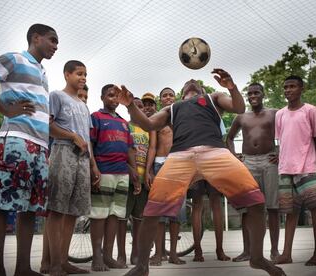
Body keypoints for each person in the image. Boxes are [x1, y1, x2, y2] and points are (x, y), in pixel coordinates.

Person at [117, 69, 285, 276]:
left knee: (257, 202)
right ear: (182, 93)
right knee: (152, 210)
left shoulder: (213, 98)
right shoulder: (174, 107)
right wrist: (130, 105)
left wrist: (231, 87)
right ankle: (142, 266)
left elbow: (239, 107)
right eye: (187, 82)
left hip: (215, 152)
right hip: (179, 156)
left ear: (202, 90)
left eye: (195, 81)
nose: (191, 81)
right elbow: (148, 123)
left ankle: (257, 258)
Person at [0, 23, 58, 276]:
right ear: (35, 38)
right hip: (16, 140)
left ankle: (23, 268)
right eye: (52, 40)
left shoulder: (43, 72)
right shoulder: (14, 58)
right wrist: (5, 110)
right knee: (2, 204)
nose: (55, 46)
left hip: (40, 146)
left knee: (31, 207)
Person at [45, 60, 101, 276]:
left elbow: (87, 138)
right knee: (58, 208)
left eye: (85, 74)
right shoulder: (56, 96)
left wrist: (94, 166)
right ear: (66, 74)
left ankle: (63, 260)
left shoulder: (84, 106)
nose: (83, 77)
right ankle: (54, 265)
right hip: (63, 152)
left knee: (73, 212)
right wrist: (72, 136)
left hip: (83, 159)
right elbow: (48, 126)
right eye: (79, 73)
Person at [274, 75, 316, 266]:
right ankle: (286, 253)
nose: (288, 90)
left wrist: (305, 156)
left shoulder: (311, 110)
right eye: (286, 87)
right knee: (290, 212)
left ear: (301, 88)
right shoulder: (280, 114)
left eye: (292, 86)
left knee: (315, 208)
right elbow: (282, 141)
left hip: (306, 167)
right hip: (285, 169)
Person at [226, 83, 280, 262]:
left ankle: (274, 251)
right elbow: (230, 138)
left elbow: (288, 132)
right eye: (250, 93)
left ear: (263, 94)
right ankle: (247, 251)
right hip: (248, 161)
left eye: (256, 92)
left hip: (269, 160)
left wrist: (281, 153)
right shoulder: (241, 116)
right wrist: (235, 158)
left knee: (272, 207)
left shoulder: (274, 113)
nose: (253, 96)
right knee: (248, 209)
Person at [89, 84, 139, 271]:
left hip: (122, 174)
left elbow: (129, 149)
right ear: (102, 97)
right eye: (110, 95)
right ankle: (96, 257)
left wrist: (133, 171)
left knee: (115, 215)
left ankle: (108, 256)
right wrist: (93, 169)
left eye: (116, 96)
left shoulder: (124, 122)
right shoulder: (96, 117)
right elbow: (90, 146)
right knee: (99, 214)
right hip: (103, 171)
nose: (114, 99)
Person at [144, 88, 187, 266]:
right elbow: (153, 146)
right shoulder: (159, 119)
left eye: (170, 94)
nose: (168, 97)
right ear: (160, 100)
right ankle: (158, 253)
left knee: (176, 213)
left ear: (175, 98)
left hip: (179, 165)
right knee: (159, 213)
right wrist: (148, 170)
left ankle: (173, 254)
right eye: (164, 95)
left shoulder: (182, 118)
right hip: (160, 165)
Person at [122, 96, 151, 265]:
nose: (139, 109)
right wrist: (129, 169)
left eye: (141, 106)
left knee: (139, 219)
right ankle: (121, 254)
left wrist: (148, 173)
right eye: (135, 106)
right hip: (128, 178)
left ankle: (136, 252)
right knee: (122, 217)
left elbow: (151, 152)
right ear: (129, 108)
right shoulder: (125, 126)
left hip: (143, 178)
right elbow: (123, 150)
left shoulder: (148, 129)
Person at [190, 179, 231, 262]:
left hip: (197, 168)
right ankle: (218, 251)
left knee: (198, 204)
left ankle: (199, 252)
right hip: (211, 167)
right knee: (215, 203)